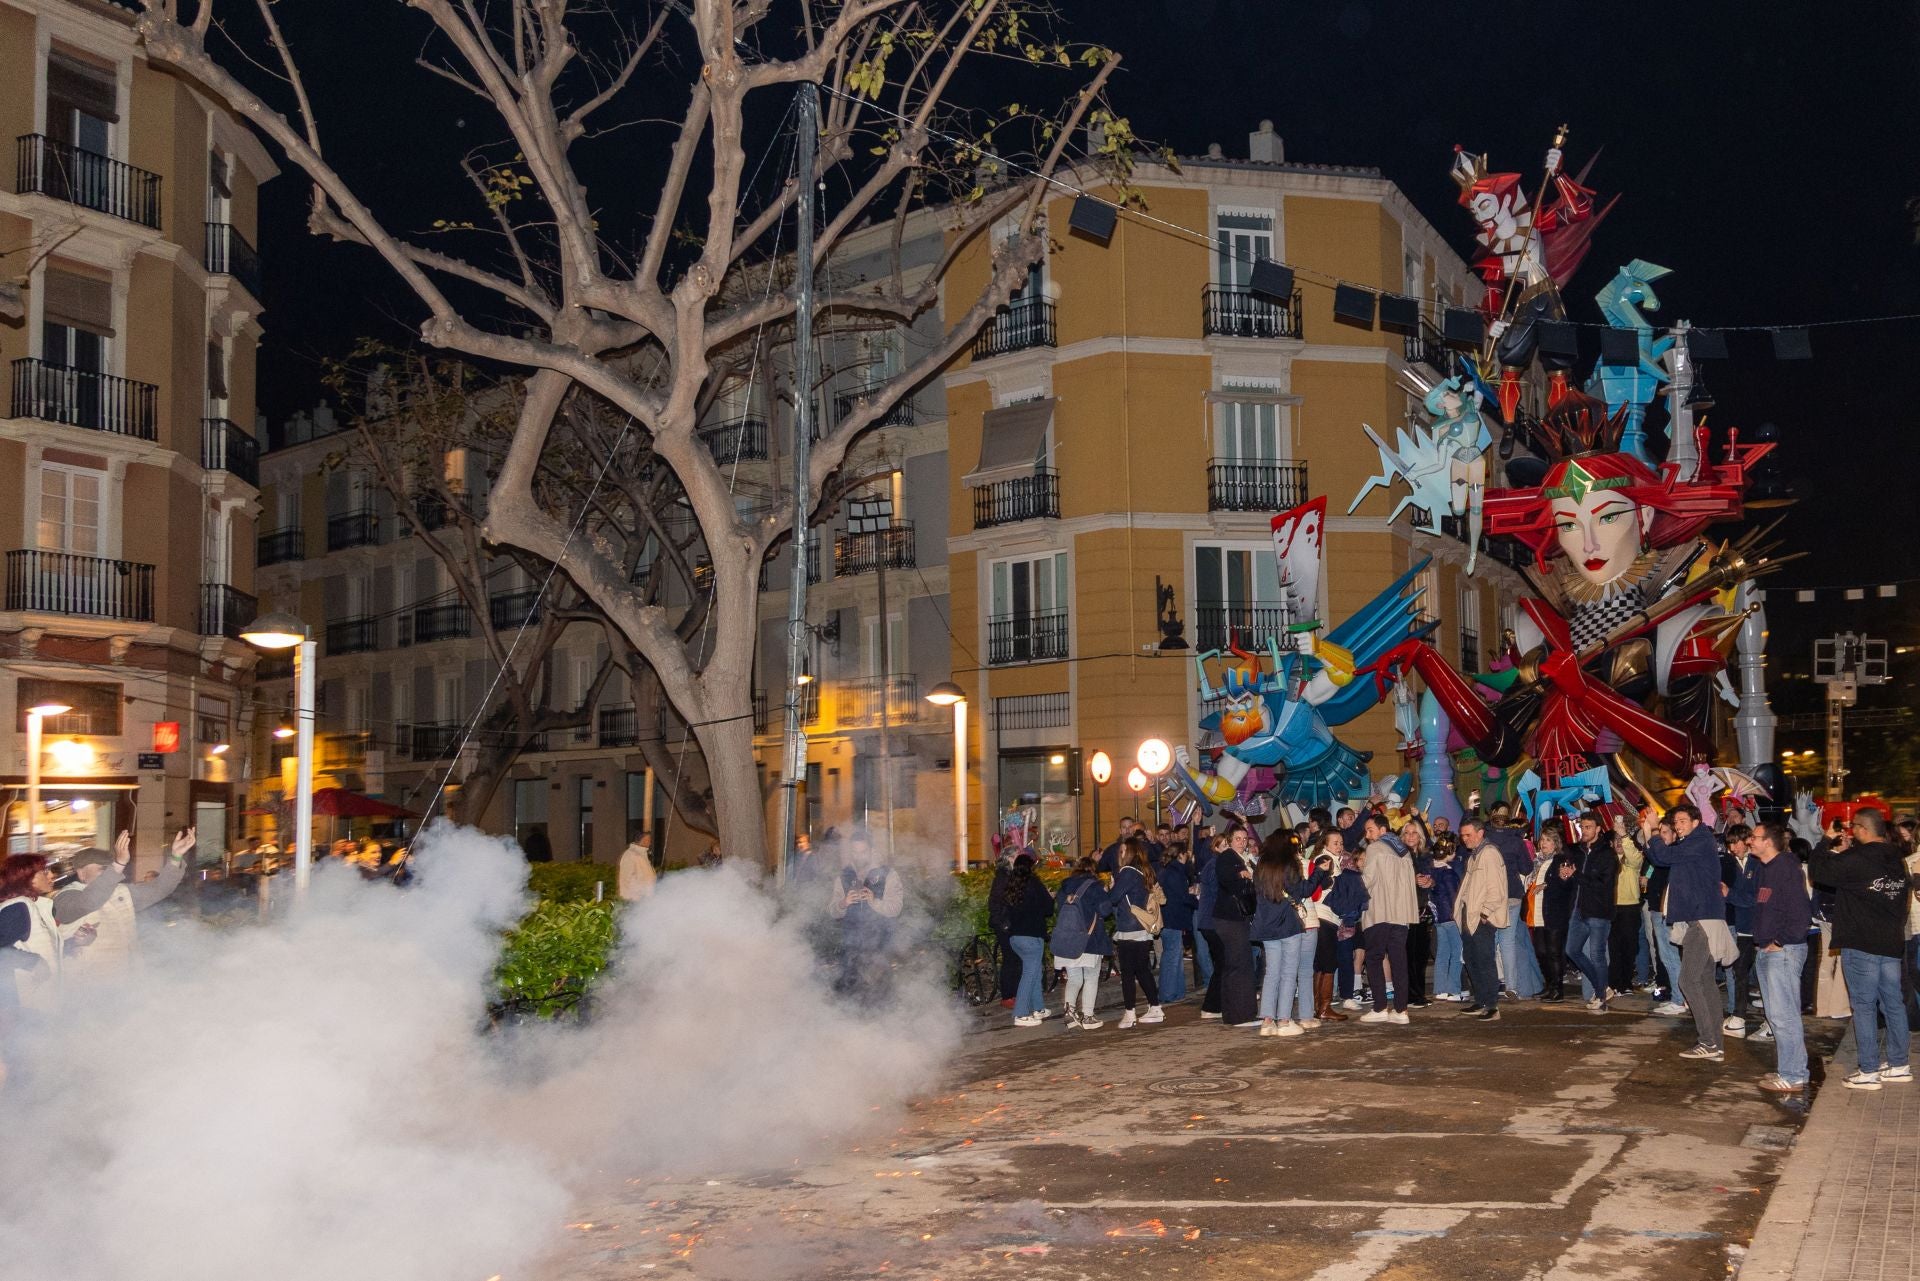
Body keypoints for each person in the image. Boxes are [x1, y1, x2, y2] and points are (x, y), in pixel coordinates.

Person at [1811, 809, 1912, 1089]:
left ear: (1862, 829)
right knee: (1893, 1004)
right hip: (1890, 943)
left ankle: (1868, 1071)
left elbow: (1818, 872)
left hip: (1861, 943)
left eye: (1854, 828)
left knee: (1864, 1007)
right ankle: (1899, 1064)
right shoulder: (1896, 859)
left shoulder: (1857, 859)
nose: (1851, 832)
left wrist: (1825, 841)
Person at [1644, 804, 1736, 1063]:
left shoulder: (1701, 840)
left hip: (1703, 920)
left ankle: (1708, 1041)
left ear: (1697, 821)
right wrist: (1648, 834)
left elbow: (1666, 856)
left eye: (1683, 820)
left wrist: (1652, 830)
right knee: (1704, 981)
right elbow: (1660, 857)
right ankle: (1714, 1044)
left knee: (1688, 980)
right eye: (1676, 822)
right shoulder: (1692, 843)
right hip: (1698, 919)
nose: (1679, 825)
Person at [53, 827, 192, 982]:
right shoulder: (66, 896)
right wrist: (118, 864)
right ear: (81, 873)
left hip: (126, 981)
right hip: (88, 984)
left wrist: (176, 857)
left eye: (109, 868)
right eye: (102, 869)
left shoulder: (121, 892)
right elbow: (88, 902)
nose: (109, 873)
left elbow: (160, 888)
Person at [1751, 822, 1814, 1094]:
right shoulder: (1767, 870)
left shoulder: (1785, 869)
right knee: (1775, 1014)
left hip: (1784, 952)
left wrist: (1779, 941)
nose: (1750, 840)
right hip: (1769, 950)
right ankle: (1788, 1068)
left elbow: (1801, 915)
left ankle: (1795, 1075)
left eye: (1755, 837)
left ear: (1769, 842)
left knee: (1784, 1015)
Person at [1253, 831, 1327, 1036]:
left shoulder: (1261, 866)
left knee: (1272, 973)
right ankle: (1284, 1021)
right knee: (1288, 973)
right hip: (1288, 925)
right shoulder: (1290, 865)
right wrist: (1319, 872)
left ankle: (1267, 1021)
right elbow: (1303, 891)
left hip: (1267, 926)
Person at [830, 828, 903, 997]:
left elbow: (895, 909)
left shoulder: (889, 875)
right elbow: (833, 911)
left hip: (879, 950)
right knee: (849, 999)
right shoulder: (843, 877)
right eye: (855, 852)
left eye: (863, 852)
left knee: (878, 998)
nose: (858, 856)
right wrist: (843, 903)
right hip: (851, 950)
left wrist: (874, 902)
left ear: (871, 851)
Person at [1358, 814, 1416, 1025]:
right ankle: (1401, 1010)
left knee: (1374, 958)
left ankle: (1380, 1006)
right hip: (1401, 914)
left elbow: (1368, 880)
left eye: (1370, 830)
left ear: (1383, 830)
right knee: (1399, 960)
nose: (1367, 835)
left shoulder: (1375, 849)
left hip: (1380, 912)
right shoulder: (1404, 851)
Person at [1455, 818, 1509, 1021]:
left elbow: (1496, 890)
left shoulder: (1489, 854)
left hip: (1480, 917)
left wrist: (1484, 914)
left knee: (1484, 960)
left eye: (1468, 835)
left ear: (1480, 833)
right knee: (1471, 959)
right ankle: (1481, 1001)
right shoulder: (1475, 855)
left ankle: (1492, 1005)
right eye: (1462, 835)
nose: (1464, 839)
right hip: (1470, 915)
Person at [1050, 856, 1114, 1030]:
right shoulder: (1095, 886)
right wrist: (1107, 892)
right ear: (1093, 870)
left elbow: (1057, 909)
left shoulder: (1064, 886)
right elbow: (1105, 910)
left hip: (1068, 940)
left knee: (1074, 978)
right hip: (1090, 940)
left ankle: (1070, 1015)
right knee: (1091, 977)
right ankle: (1088, 1016)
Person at [1109, 837, 1166, 1028]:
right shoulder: (1144, 871)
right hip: (1142, 927)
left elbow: (1114, 897)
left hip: (1129, 927)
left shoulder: (1126, 872)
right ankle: (1155, 1007)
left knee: (1127, 972)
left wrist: (1110, 887)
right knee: (1142, 970)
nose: (1120, 854)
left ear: (1130, 852)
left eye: (1123, 851)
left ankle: (1129, 1013)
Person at [1567, 812, 1618, 1011]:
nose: (1584, 830)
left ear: (1598, 829)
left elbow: (1603, 884)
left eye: (1588, 827)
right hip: (1579, 910)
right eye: (1582, 826)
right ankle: (1602, 987)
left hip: (1599, 910)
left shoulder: (1607, 854)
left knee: (1597, 954)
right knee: (1572, 950)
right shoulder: (1578, 851)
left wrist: (1577, 875)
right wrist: (1568, 876)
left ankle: (1601, 997)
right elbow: (1576, 878)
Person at [1211, 825, 1260, 1028]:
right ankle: (1240, 1015)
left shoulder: (1244, 858)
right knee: (1239, 964)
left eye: (1244, 838)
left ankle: (1235, 1013)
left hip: (1237, 918)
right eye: (1237, 838)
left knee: (1237, 964)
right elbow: (1229, 880)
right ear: (1230, 840)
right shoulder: (1227, 857)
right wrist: (1244, 876)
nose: (1241, 842)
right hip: (1230, 918)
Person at [1000, 854, 1055, 1027]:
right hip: (1032, 937)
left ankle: (1038, 1008)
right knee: (1030, 974)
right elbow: (1048, 909)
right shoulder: (1035, 884)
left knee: (1035, 971)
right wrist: (1049, 896)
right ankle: (1021, 1013)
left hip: (1016, 937)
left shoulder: (1011, 885)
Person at [1722, 824, 1760, 1038]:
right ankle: (1739, 1016)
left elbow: (1756, 898)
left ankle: (1744, 1017)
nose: (1732, 847)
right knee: (1740, 971)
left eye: (1735, 842)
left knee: (1755, 974)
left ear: (1746, 840)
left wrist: (1730, 894)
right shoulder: (1733, 863)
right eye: (1730, 843)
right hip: (1743, 926)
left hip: (1758, 927)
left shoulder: (1757, 863)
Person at [1536, 828, 1579, 1002]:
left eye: (1547, 840)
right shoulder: (1539, 861)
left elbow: (1565, 885)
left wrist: (1548, 884)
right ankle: (1549, 985)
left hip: (1555, 912)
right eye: (1542, 840)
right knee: (1541, 950)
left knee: (1554, 951)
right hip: (1539, 911)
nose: (1543, 843)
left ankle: (1557, 989)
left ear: (1556, 843)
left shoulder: (1561, 860)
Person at [1608, 813, 1646, 993]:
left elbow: (1635, 859)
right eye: (1615, 840)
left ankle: (1626, 982)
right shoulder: (1608, 861)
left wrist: (1624, 836)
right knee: (1614, 947)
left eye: (1620, 840)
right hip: (1612, 908)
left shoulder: (1633, 859)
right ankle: (1615, 983)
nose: (1618, 843)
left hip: (1630, 907)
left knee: (1630, 946)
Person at [1158, 840, 1198, 1003]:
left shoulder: (1169, 870)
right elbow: (1180, 897)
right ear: (1181, 854)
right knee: (1172, 957)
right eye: (1186, 852)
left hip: (1170, 919)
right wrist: (1195, 899)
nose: (1188, 855)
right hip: (1172, 919)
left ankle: (1178, 992)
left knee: (1175, 956)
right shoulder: (1175, 872)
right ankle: (1168, 993)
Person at [1401, 819, 1435, 1007]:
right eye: (1407, 833)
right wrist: (1410, 878)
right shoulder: (1400, 855)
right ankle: (1411, 995)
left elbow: (1436, 878)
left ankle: (1418, 993)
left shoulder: (1426, 856)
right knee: (1409, 954)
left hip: (1423, 909)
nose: (1411, 836)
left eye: (1414, 833)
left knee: (1421, 954)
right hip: (1406, 909)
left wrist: (1431, 882)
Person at [1428, 835, 1465, 1001]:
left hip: (1439, 918)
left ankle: (1440, 989)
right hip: (1451, 917)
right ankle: (1454, 990)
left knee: (1442, 953)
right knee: (1457, 953)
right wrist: (1459, 916)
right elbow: (1453, 896)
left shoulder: (1431, 870)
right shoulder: (1448, 873)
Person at [1196, 833, 1226, 1019]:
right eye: (1222, 845)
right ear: (1215, 848)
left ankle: (1215, 1004)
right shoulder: (1216, 865)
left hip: (1210, 921)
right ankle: (1211, 1006)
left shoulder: (1214, 864)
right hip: (1212, 921)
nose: (1226, 848)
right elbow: (1219, 891)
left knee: (1222, 963)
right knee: (1223, 963)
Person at [616, 831, 657, 902]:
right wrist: (641, 894)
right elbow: (628, 878)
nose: (650, 843)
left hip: (644, 899)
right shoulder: (630, 855)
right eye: (649, 840)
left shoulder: (642, 855)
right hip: (634, 900)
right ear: (643, 840)